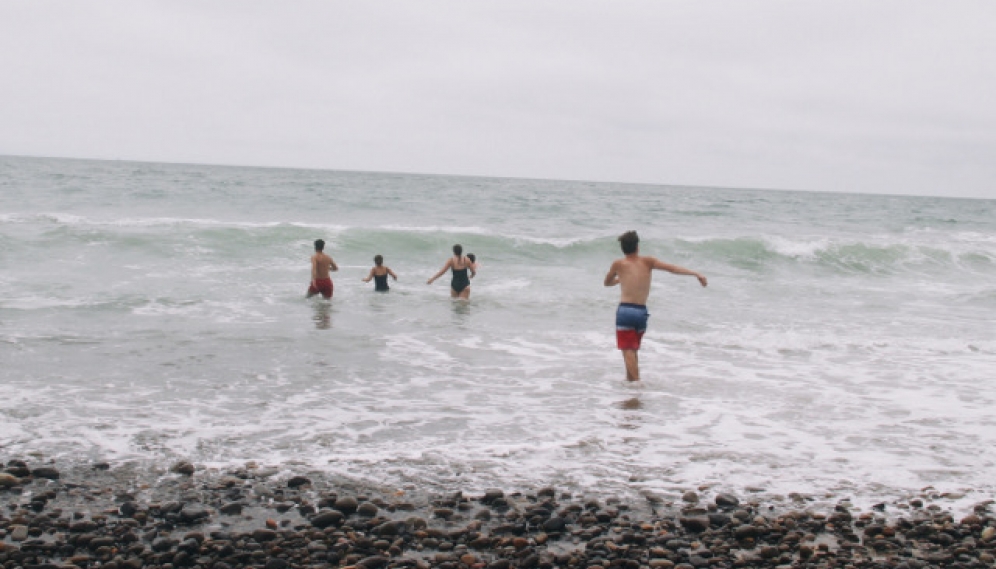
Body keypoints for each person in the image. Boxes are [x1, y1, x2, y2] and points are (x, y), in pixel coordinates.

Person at [603, 230, 707, 381]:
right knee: (633, 350)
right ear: (637, 247)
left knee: (628, 351)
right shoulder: (648, 261)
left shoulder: (618, 264)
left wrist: (619, 280)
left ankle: (635, 388)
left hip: (625, 310)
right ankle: (631, 386)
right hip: (641, 312)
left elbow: (606, 283)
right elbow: (672, 269)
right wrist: (696, 273)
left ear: (622, 248)